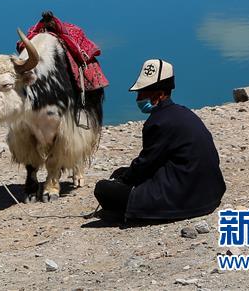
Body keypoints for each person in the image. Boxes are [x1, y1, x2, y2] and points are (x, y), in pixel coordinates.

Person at [93, 58, 226, 223]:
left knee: (103, 189)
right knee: (121, 173)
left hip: (187, 199)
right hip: (211, 193)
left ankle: (131, 213)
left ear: (160, 95)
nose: (138, 99)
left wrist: (123, 180)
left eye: (142, 93)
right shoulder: (184, 113)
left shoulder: (157, 122)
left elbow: (145, 164)